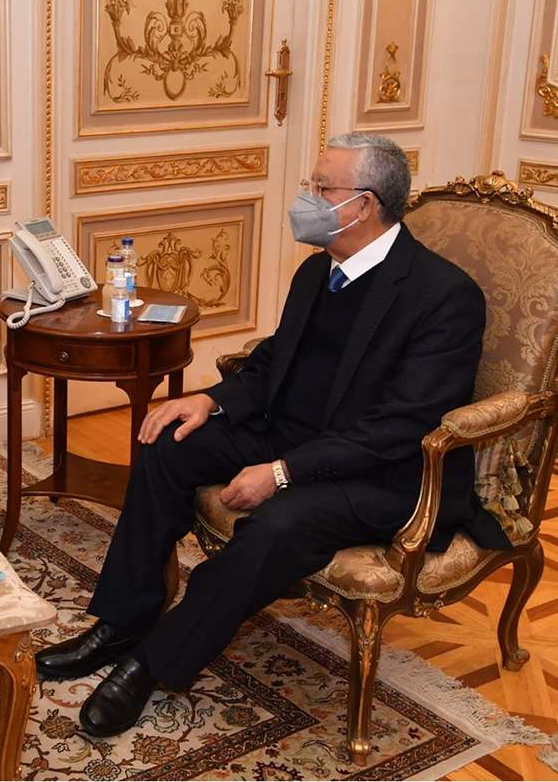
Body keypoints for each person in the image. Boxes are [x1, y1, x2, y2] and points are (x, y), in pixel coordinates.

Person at [34, 132, 511, 737]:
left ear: (364, 204)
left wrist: (283, 474)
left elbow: (401, 427)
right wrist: (210, 400)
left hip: (380, 471)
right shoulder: (318, 271)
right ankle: (122, 622)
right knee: (165, 444)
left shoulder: (443, 296)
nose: (306, 197)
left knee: (278, 525)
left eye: (321, 187)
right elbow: (273, 362)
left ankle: (151, 663)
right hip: (288, 434)